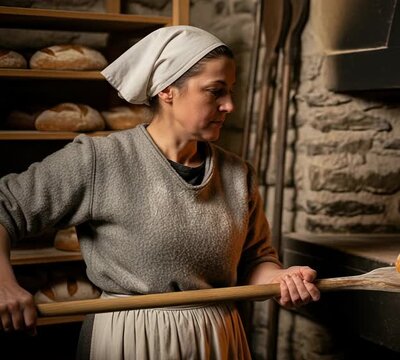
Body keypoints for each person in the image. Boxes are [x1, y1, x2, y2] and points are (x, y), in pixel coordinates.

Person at [0, 25, 320, 359]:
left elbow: (255, 261)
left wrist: (281, 278)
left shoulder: (238, 174)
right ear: (168, 90)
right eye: (216, 91)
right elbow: (5, 207)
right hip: (131, 339)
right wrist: (3, 284)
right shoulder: (101, 160)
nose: (230, 106)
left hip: (218, 338)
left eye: (231, 92)